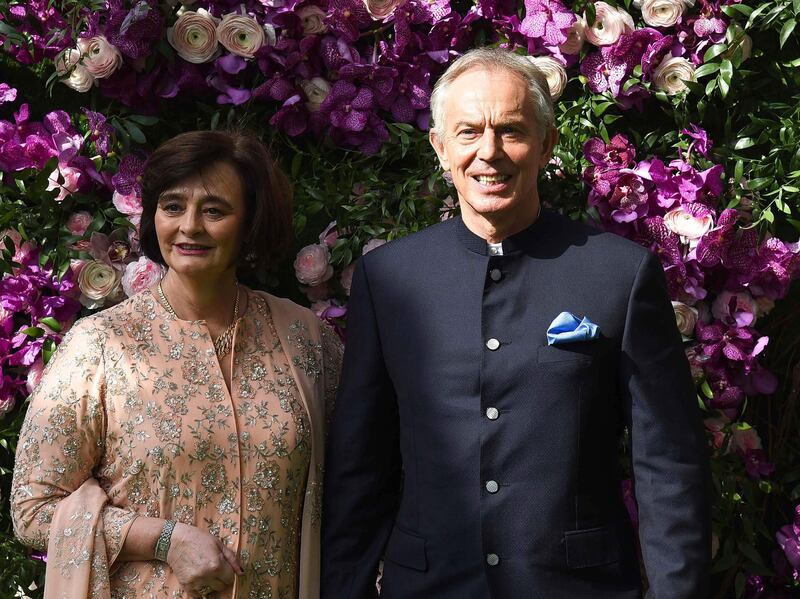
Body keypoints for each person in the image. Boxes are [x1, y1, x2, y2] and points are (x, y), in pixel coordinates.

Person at [321, 48, 710, 598]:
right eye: (468, 132)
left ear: (546, 144)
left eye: (510, 131)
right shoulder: (388, 280)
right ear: (439, 147)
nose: (489, 152)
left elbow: (667, 464)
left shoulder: (619, 274)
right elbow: (361, 468)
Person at [12, 130, 342, 599]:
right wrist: (166, 540)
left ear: (250, 222)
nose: (190, 226)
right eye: (172, 207)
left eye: (214, 210)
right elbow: (34, 508)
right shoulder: (99, 346)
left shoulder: (305, 339)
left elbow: (358, 486)